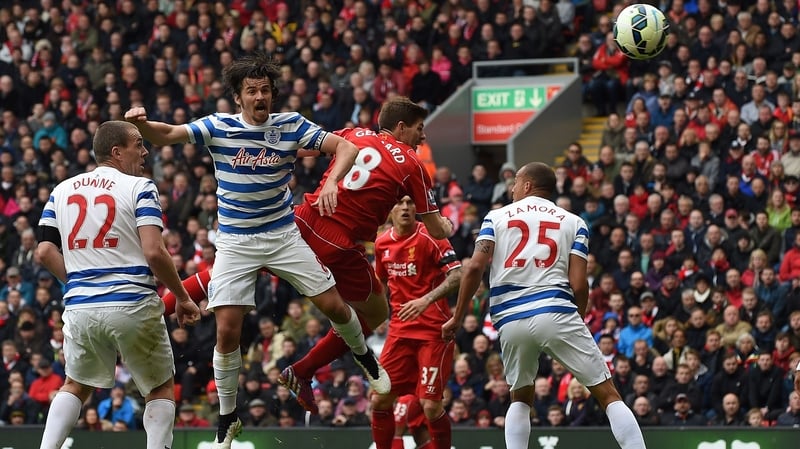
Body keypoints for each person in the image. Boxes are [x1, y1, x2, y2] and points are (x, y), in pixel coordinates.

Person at [124, 52, 385, 449]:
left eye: (265, 90)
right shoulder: (218, 126)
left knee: (333, 306)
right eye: (252, 91)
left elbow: (346, 148)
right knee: (227, 334)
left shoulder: (291, 125)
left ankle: (364, 355)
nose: (260, 96)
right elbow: (168, 135)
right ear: (239, 96)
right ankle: (228, 416)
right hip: (235, 243)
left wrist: (333, 182)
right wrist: (141, 124)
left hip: (283, 236)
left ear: (272, 94)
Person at [161, 96, 454, 415]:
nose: (422, 136)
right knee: (374, 311)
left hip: (302, 218)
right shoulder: (412, 163)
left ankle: (154, 310)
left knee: (228, 270)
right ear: (400, 127)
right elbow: (437, 231)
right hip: (339, 242)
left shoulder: (353, 133)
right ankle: (303, 370)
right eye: (419, 129)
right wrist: (448, 223)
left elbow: (299, 148)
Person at [442, 162, 646, 449]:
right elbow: (579, 284)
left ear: (527, 185)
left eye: (515, 182)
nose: (511, 188)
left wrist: (457, 316)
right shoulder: (575, 222)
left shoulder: (495, 217)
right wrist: (579, 316)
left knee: (520, 395)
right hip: (556, 311)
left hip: (510, 318)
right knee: (608, 394)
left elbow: (475, 267)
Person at [35, 121, 201, 449]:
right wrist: (182, 297)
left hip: (81, 306)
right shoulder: (140, 187)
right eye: (138, 144)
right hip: (132, 302)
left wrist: (80, 282)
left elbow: (43, 251)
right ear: (117, 151)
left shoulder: (62, 190)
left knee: (75, 385)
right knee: (159, 388)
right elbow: (154, 251)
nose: (145, 150)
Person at [370, 196, 462, 449]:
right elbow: (380, 284)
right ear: (389, 208)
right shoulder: (382, 242)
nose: (406, 208)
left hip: (433, 332)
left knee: (430, 406)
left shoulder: (431, 236)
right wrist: (373, 315)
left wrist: (426, 300)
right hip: (399, 333)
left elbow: (457, 275)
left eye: (411, 203)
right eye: (399, 202)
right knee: (379, 401)